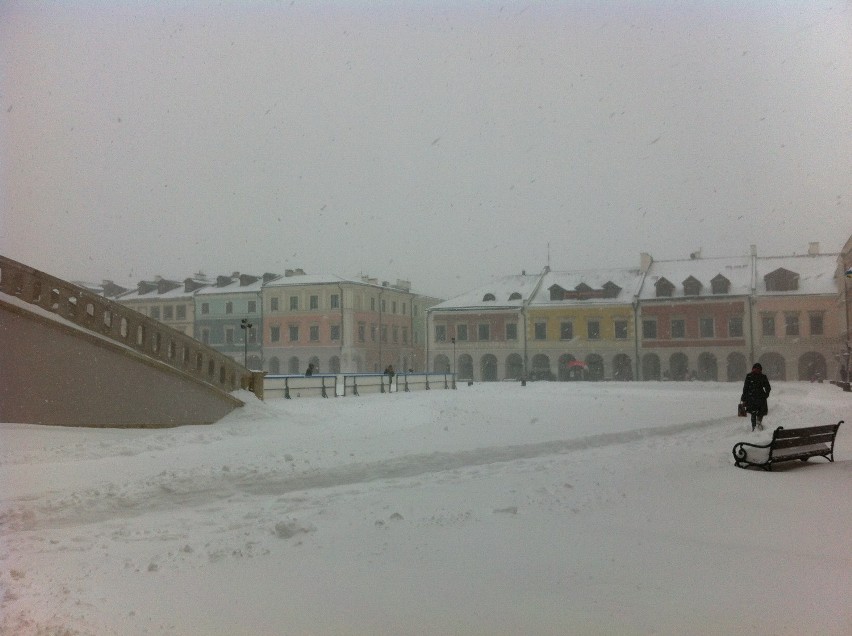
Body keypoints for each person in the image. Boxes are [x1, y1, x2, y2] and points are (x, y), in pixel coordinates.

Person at [740, 362, 771, 431]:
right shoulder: (751, 376)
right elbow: (745, 388)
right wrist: (744, 398)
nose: (756, 370)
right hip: (754, 398)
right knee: (755, 412)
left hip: (756, 397)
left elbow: (767, 387)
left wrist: (766, 394)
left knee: (758, 412)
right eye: (755, 369)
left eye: (758, 369)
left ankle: (757, 424)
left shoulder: (759, 377)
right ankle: (755, 425)